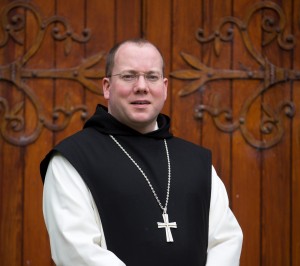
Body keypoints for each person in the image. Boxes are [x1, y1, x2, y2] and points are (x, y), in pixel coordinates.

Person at [40, 38, 243, 266]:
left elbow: (225, 240)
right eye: (128, 76)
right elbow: (76, 250)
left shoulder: (197, 162)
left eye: (152, 77)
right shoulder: (72, 159)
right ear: (107, 87)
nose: (141, 86)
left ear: (164, 88)